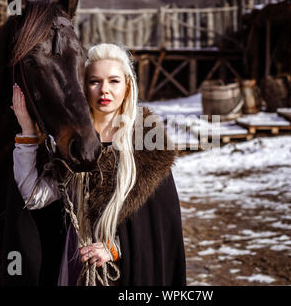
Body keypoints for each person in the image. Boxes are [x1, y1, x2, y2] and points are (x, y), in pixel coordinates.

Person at [11, 43, 186, 286]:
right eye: (95, 81)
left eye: (114, 81)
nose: (104, 90)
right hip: (74, 266)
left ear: (127, 86)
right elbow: (34, 196)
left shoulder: (148, 146)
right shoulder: (69, 145)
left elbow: (159, 227)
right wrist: (28, 133)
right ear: (83, 87)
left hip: (125, 272)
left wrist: (114, 248)